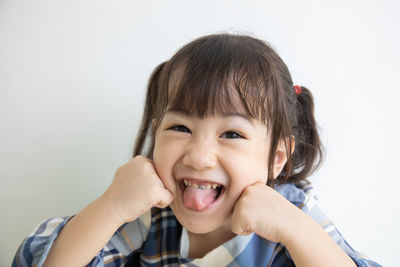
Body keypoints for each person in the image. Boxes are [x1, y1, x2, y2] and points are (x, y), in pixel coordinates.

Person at [12, 34, 381, 267]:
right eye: (180, 128)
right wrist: (110, 206)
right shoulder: (150, 215)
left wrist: (295, 230)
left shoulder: (292, 214)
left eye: (232, 134)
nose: (199, 156)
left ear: (277, 158)